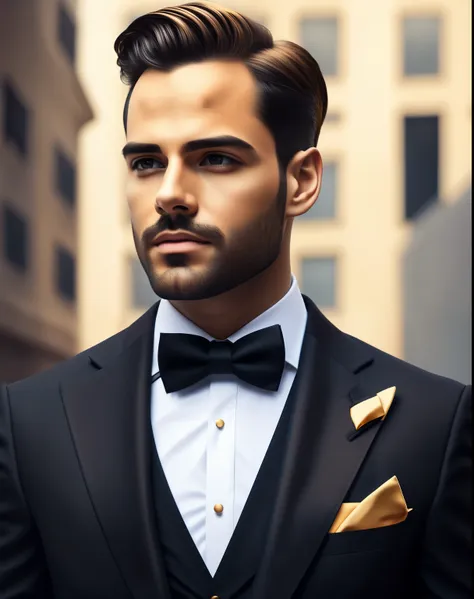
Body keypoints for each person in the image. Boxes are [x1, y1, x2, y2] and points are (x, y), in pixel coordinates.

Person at [0, 2, 471, 598]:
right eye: (146, 162)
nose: (170, 194)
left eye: (215, 159)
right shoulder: (32, 421)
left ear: (300, 181)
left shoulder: (434, 423)